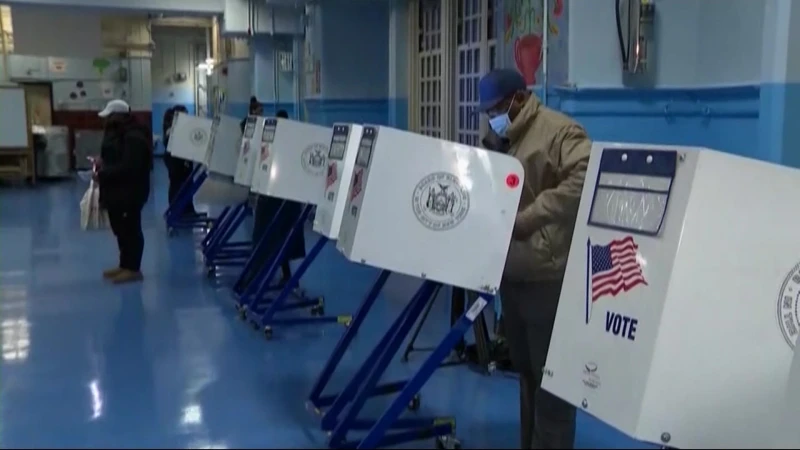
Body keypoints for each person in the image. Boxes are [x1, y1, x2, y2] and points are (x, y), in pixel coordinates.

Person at [477, 69, 590, 449]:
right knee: (526, 373)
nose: (492, 116)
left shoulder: (559, 132)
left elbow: (584, 175)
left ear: (519, 99)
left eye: (497, 108)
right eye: (487, 111)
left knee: (552, 382)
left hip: (547, 274)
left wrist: (532, 218)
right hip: (512, 273)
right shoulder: (499, 138)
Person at [237, 108, 305, 292]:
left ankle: (260, 278)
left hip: (278, 201)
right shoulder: (283, 142)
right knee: (279, 239)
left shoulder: (280, 142)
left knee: (271, 239)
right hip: (281, 200)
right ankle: (285, 277)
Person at [95, 99, 153, 284]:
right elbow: (116, 156)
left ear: (117, 116)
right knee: (120, 229)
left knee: (130, 230)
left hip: (130, 192)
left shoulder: (134, 136)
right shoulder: (119, 133)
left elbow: (130, 166)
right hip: (117, 191)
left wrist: (103, 174)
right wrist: (102, 163)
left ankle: (133, 269)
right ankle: (124, 265)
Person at [162, 105, 196, 216]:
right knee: (177, 184)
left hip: (183, 159)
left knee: (187, 184)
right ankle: (176, 209)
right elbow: (169, 142)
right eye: (185, 114)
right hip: (175, 160)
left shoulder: (182, 126)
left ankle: (188, 208)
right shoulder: (171, 127)